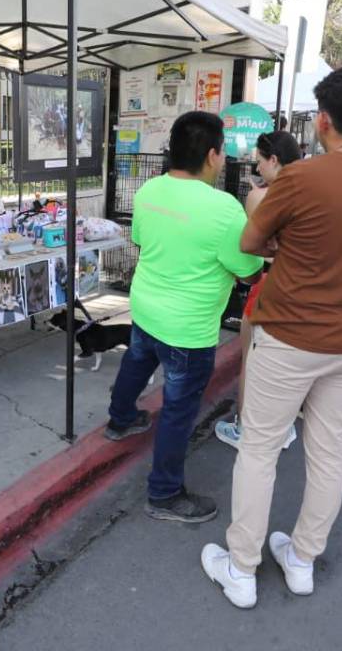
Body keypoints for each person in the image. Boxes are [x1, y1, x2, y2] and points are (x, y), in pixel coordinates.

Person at [199, 65, 342, 609]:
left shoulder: (300, 178)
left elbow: (253, 240)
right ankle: (301, 559)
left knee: (259, 449)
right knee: (328, 450)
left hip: (290, 333)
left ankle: (242, 566)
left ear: (322, 120)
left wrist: (284, 246)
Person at [105, 111, 263, 524]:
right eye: (223, 151)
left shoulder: (148, 191)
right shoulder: (225, 209)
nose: (225, 158)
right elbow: (247, 271)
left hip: (146, 306)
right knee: (177, 410)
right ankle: (163, 493)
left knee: (137, 362)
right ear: (211, 155)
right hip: (189, 328)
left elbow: (141, 240)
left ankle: (120, 420)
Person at [214, 129, 303, 450]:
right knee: (287, 362)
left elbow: (253, 245)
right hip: (304, 288)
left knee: (252, 358)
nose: (256, 167)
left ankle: (245, 427)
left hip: (269, 283)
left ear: (274, 160)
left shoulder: (262, 196)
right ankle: (282, 426)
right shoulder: (313, 190)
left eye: (260, 161)